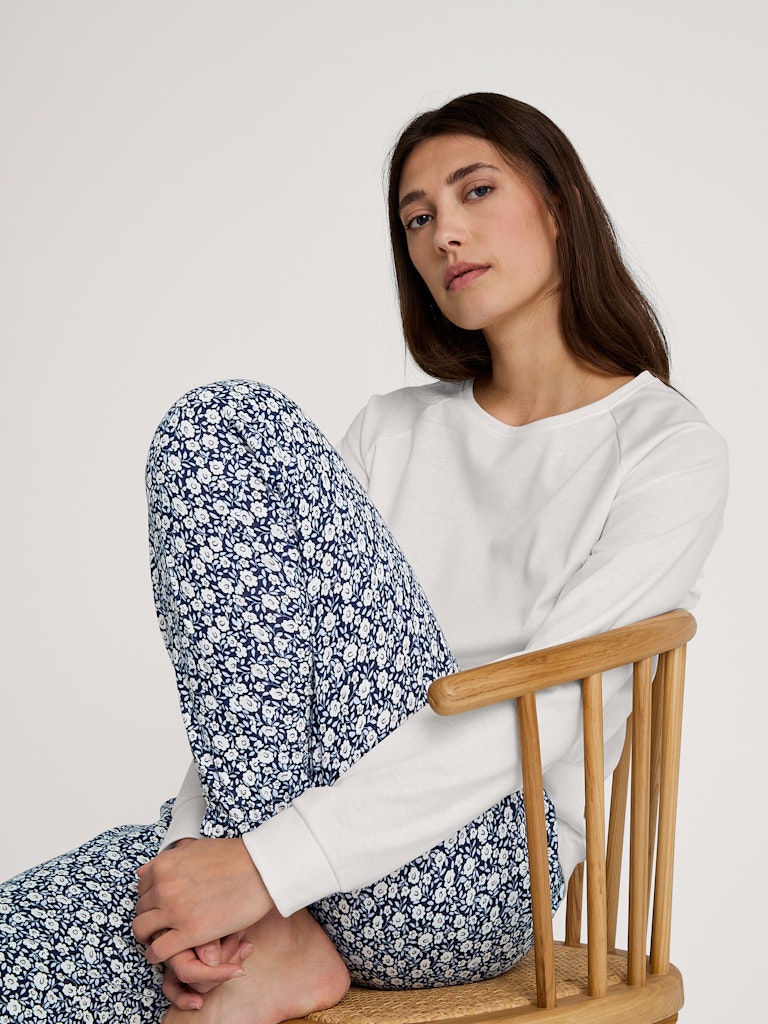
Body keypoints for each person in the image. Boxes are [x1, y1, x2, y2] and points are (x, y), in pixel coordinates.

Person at [0, 93, 727, 1024]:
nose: (444, 234)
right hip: (289, 850)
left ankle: (273, 928)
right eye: (417, 218)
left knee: (228, 428)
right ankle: (267, 939)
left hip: (474, 879)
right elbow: (249, 665)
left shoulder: (665, 448)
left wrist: (264, 869)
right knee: (21, 946)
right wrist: (196, 852)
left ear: (560, 205)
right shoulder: (394, 430)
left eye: (475, 191)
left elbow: (544, 709)